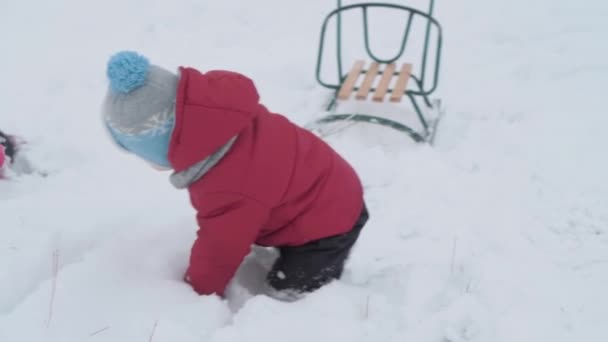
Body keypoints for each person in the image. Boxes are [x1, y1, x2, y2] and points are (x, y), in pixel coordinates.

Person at [101, 51, 369, 300]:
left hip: (328, 223)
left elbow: (220, 249)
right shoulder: (223, 115)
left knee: (290, 291)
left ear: (168, 143)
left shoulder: (227, 184)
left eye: (145, 156)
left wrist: (194, 295)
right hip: (321, 185)